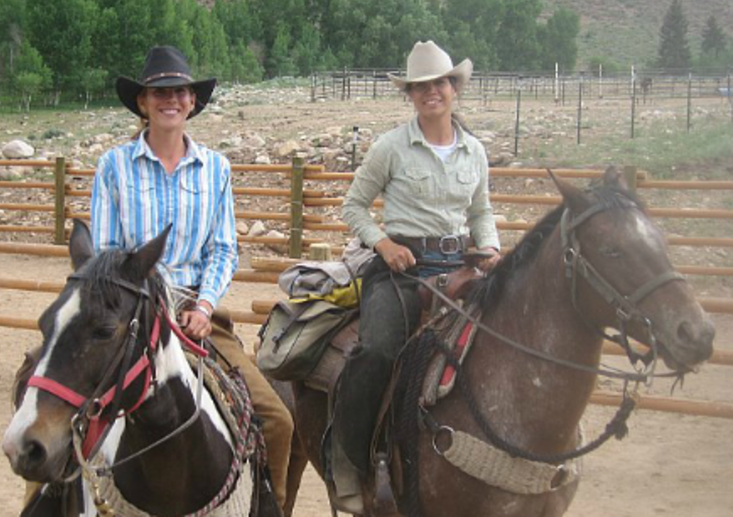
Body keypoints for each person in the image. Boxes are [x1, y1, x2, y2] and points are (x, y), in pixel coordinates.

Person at [91, 45, 293, 512]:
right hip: (130, 320)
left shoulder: (216, 168)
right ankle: (49, 499)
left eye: (179, 91)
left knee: (276, 421)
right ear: (142, 102)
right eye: (159, 91)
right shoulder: (114, 167)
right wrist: (141, 306)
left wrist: (203, 308)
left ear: (192, 102)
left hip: (198, 319)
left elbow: (223, 249)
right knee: (62, 410)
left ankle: (267, 508)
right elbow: (105, 256)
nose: (170, 99)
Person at [329, 40, 501, 512]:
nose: (432, 93)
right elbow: (353, 206)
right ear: (410, 94)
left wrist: (490, 248)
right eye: (421, 86)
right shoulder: (391, 147)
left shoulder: (475, 152)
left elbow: (482, 211)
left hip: (462, 270)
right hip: (402, 273)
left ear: (454, 88)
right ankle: (348, 461)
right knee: (375, 352)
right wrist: (383, 243)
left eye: (439, 83)